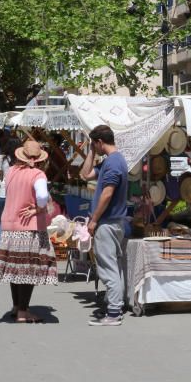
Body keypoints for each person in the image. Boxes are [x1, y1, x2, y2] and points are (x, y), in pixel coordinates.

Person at [0, 139, 57, 323]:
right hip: (29, 227)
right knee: (28, 270)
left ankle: (16, 306)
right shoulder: (37, 174)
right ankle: (23, 311)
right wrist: (39, 208)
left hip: (9, 225)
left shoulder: (11, 171)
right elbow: (42, 196)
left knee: (15, 269)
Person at [79, 124, 129, 326]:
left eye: (95, 144)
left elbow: (107, 194)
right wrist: (90, 151)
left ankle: (114, 313)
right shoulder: (112, 161)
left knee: (108, 268)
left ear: (100, 142)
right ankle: (115, 306)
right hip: (114, 222)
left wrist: (94, 220)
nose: (94, 148)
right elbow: (85, 174)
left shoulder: (114, 163)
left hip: (107, 223)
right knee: (114, 267)